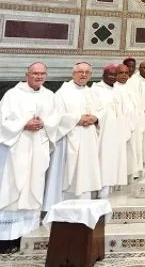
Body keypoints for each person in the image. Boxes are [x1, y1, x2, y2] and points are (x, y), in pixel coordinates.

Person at [0, 63, 55, 254]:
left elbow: (56, 120)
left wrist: (44, 123)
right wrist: (24, 124)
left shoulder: (49, 96)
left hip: (37, 149)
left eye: (42, 74)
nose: (39, 76)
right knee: (10, 188)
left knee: (32, 188)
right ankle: (4, 241)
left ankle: (26, 235)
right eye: (35, 73)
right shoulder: (13, 95)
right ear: (27, 75)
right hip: (15, 150)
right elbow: (0, 122)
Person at [43, 62, 101, 210]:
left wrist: (96, 118)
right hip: (69, 138)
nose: (84, 75)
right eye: (80, 72)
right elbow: (56, 116)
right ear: (73, 73)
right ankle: (63, 207)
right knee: (67, 174)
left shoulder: (92, 92)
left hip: (88, 138)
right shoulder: (63, 93)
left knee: (86, 172)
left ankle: (84, 205)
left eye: (87, 72)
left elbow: (101, 111)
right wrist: (77, 119)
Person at [92, 64, 129, 197]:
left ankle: (109, 187)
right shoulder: (96, 89)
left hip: (117, 132)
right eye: (110, 74)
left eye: (115, 74)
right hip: (103, 132)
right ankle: (101, 189)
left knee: (114, 160)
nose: (113, 77)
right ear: (103, 75)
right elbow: (94, 110)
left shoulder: (117, 91)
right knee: (104, 160)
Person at [115, 64, 141, 182]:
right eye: (121, 73)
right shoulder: (113, 89)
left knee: (131, 153)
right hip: (119, 128)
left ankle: (129, 178)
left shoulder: (131, 88)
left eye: (126, 73)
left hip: (133, 125)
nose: (125, 75)